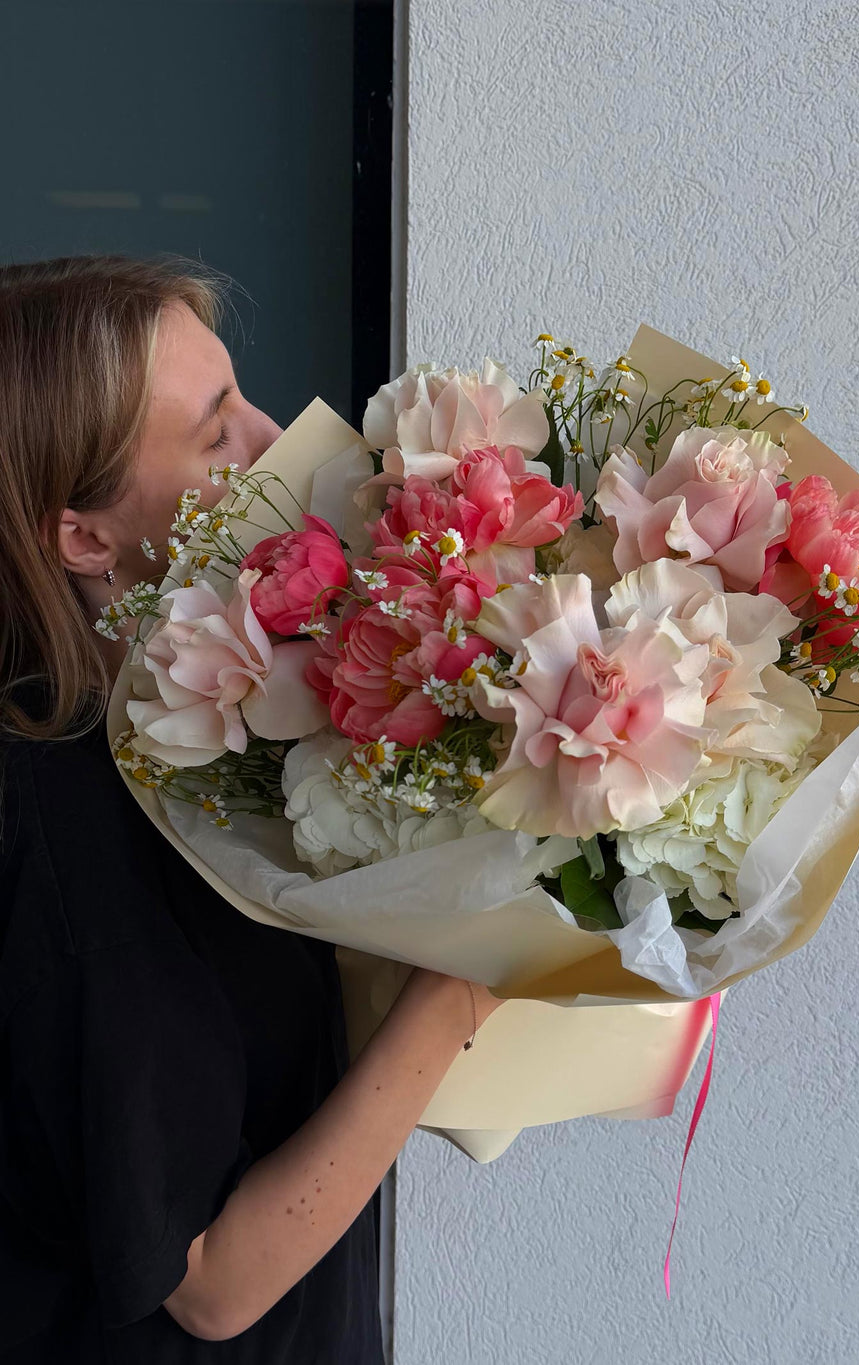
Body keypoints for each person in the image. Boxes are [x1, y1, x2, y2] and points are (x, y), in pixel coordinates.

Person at [0, 253, 506, 1362]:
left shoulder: (168, 725)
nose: (275, 435)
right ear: (84, 538)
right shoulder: (67, 815)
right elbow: (210, 1284)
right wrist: (470, 980)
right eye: (215, 431)